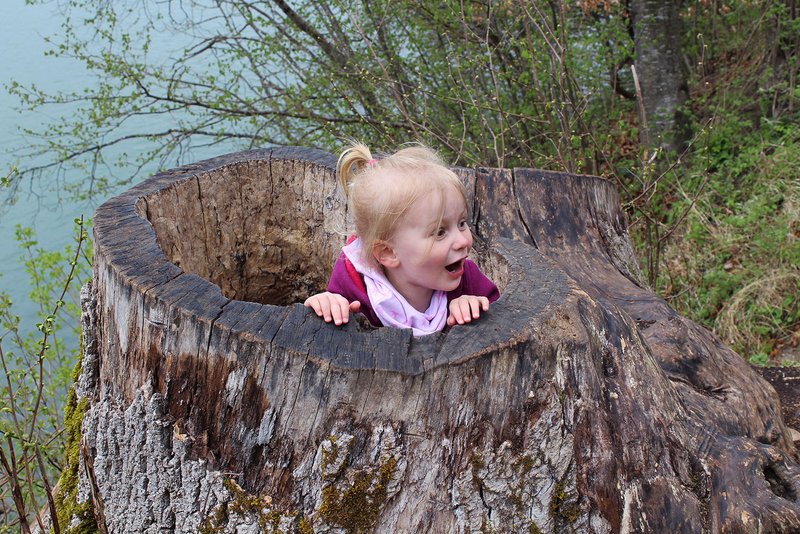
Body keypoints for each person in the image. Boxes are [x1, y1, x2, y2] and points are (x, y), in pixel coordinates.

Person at [304, 142, 499, 336]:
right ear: (388, 253)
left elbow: (500, 317)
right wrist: (327, 303)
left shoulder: (468, 281)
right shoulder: (355, 287)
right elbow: (333, 319)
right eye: (440, 232)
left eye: (462, 223)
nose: (463, 240)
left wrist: (477, 307)